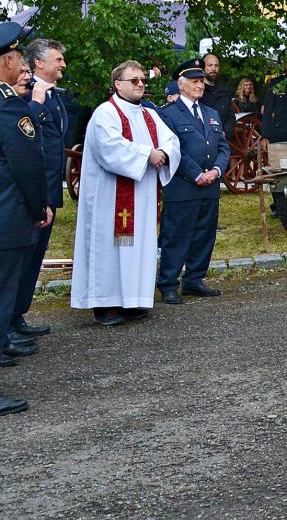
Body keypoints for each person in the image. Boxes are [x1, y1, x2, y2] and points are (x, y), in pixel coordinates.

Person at [70, 60, 181, 326]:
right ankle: (105, 303)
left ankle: (132, 299)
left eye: (143, 79)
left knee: (137, 247)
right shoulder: (105, 114)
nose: (141, 84)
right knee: (109, 248)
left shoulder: (149, 114)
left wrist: (164, 153)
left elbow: (172, 141)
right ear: (118, 85)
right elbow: (110, 148)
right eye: (134, 80)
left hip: (142, 196)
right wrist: (148, 154)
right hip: (110, 198)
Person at [0, 24, 52, 416]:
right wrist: (38, 209)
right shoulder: (8, 106)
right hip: (7, 218)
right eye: (18, 58)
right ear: (6, 60)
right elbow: (27, 165)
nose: (22, 66)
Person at [156, 59, 229, 303]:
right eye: (194, 82)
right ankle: (168, 283)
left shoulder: (211, 113)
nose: (200, 86)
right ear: (181, 84)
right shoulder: (168, 114)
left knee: (204, 235)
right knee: (177, 236)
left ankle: (194, 280)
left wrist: (216, 170)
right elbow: (173, 149)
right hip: (183, 187)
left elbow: (223, 147)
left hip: (210, 186)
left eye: (201, 82)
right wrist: (196, 174)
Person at [13, 39, 67, 343]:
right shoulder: (25, 91)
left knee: (34, 259)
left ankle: (18, 315)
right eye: (58, 59)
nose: (62, 64)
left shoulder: (53, 95)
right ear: (39, 63)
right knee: (22, 260)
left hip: (49, 190)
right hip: (32, 193)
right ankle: (8, 321)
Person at [200, 52, 235, 129]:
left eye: (216, 65)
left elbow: (231, 116)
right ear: (202, 67)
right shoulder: (197, 90)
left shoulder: (225, 91)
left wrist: (225, 132)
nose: (213, 68)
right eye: (210, 65)